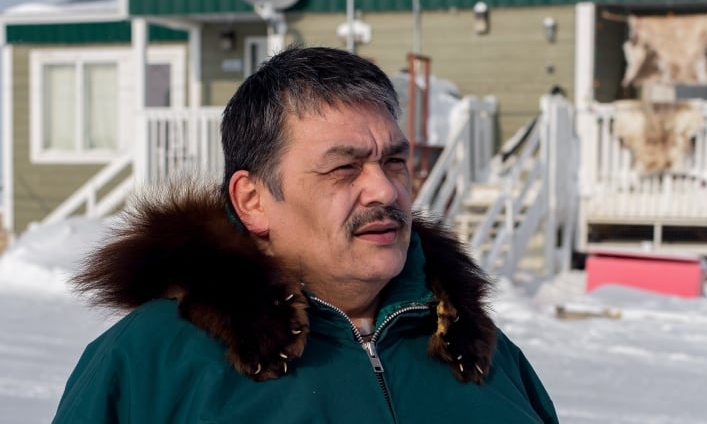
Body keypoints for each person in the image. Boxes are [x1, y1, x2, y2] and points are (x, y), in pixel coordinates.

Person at [53, 46, 558, 423]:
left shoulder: (481, 354)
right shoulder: (151, 358)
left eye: (395, 161)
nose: (384, 189)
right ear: (252, 200)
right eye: (344, 168)